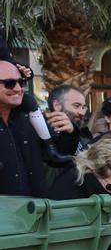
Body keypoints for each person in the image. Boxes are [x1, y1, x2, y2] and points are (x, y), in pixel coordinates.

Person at [0, 61, 79, 196]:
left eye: (21, 82)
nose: (18, 89)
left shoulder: (30, 118)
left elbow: (57, 157)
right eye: (9, 83)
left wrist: (69, 133)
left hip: (34, 209)